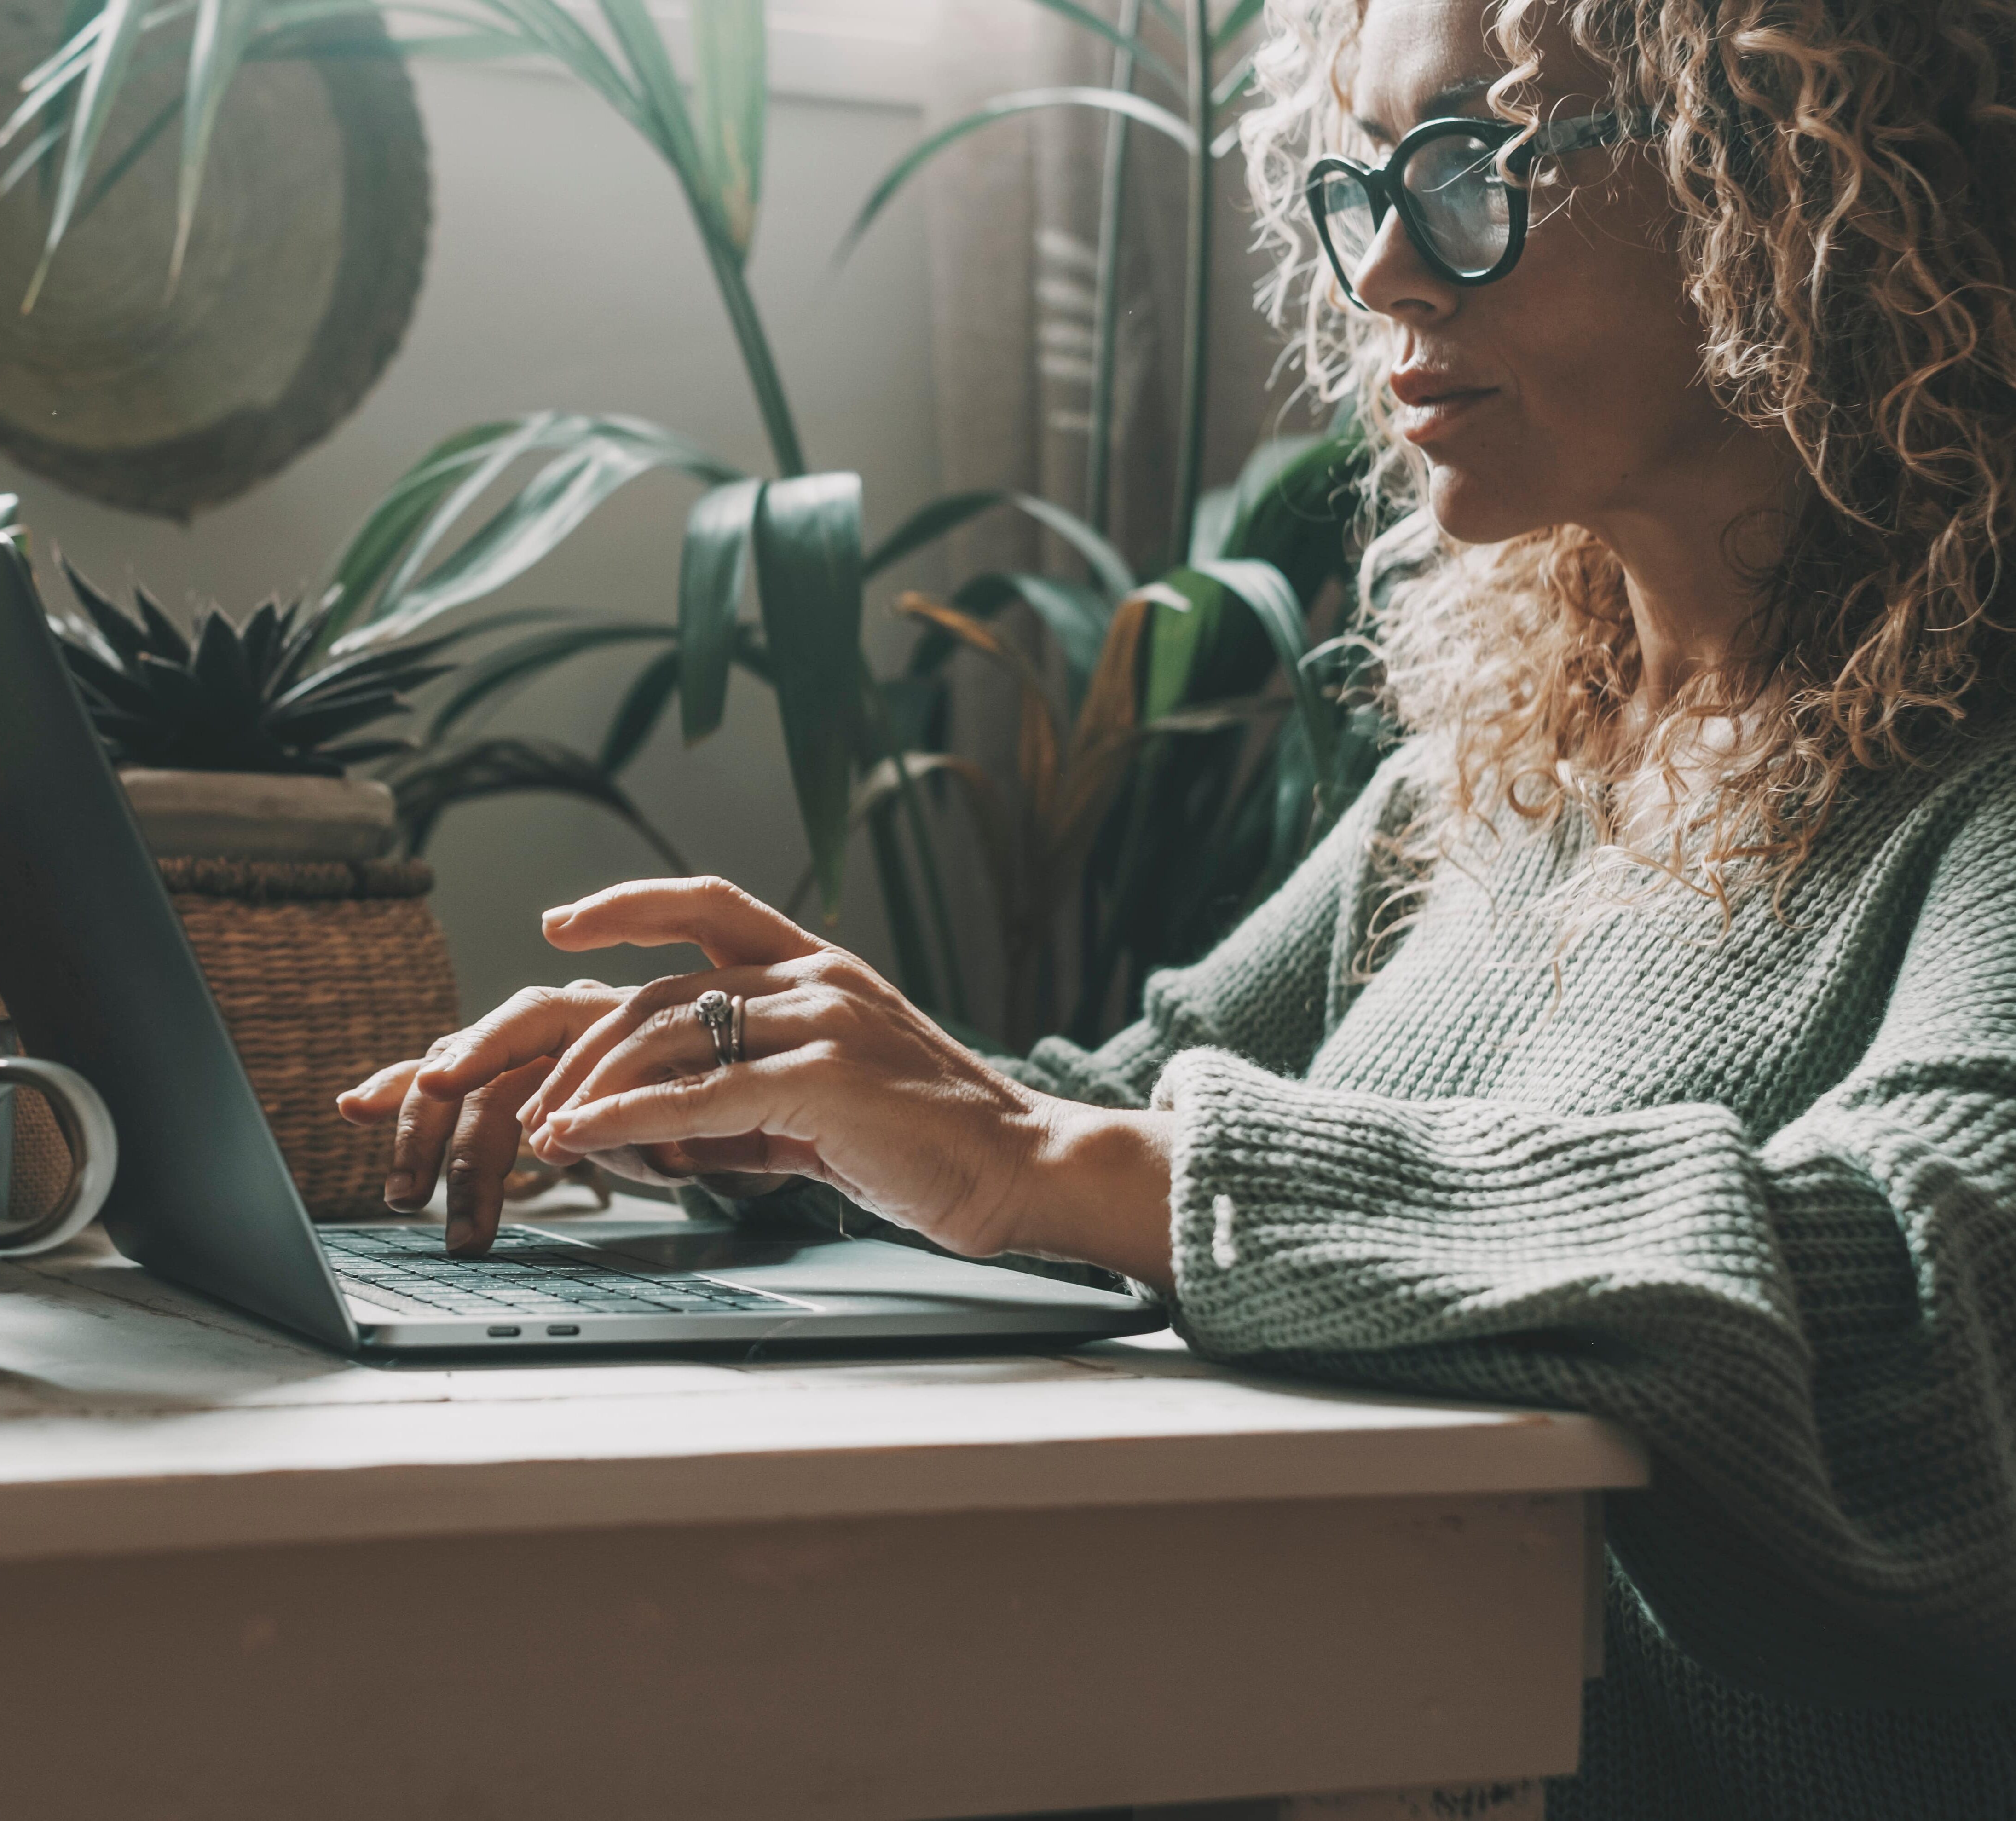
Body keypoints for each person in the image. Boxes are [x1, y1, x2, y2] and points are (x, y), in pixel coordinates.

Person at [339, 0, 2016, 1811]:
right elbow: (1130, 1107)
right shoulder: (1492, 774)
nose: (1381, 272)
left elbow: (1937, 1320)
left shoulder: (1971, 790)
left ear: (1777, 171)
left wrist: (1045, 1157)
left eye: (1465, 165)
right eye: (1359, 182)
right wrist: (786, 1111)